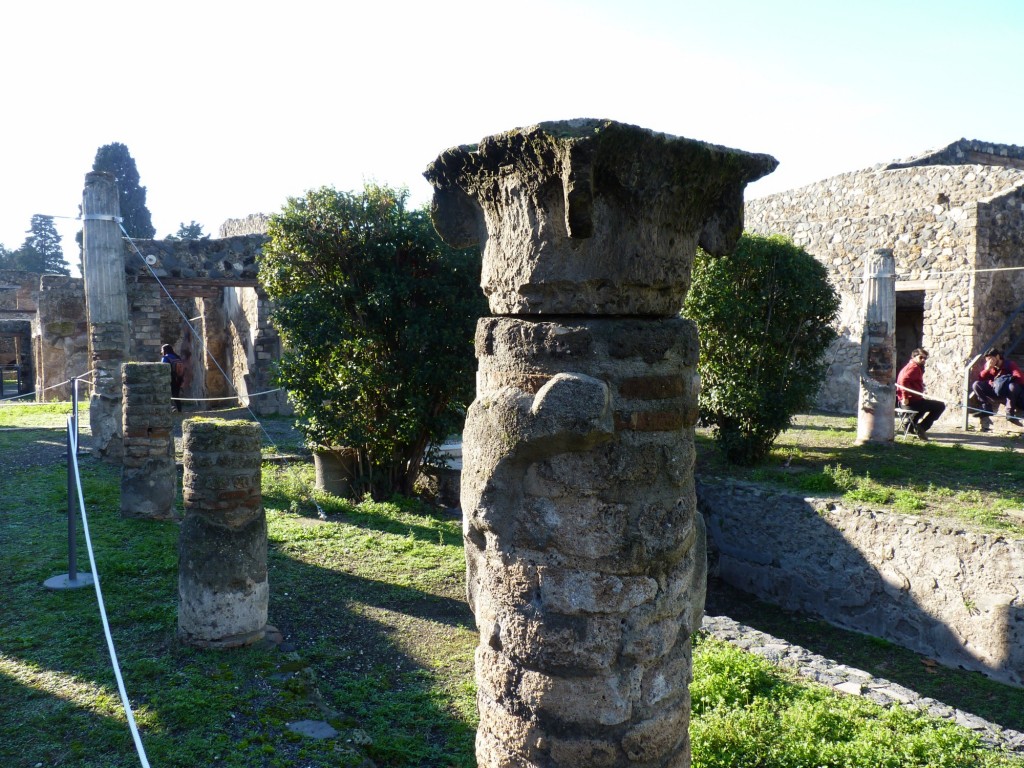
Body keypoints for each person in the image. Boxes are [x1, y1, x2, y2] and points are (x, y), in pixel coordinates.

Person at [896, 348, 945, 440]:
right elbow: (903, 381)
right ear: (914, 357)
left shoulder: (911, 366)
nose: (923, 360)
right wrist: (905, 397)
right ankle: (922, 427)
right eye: (921, 357)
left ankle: (909, 426)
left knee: (924, 405)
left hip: (913, 400)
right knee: (940, 406)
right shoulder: (913, 367)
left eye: (925, 358)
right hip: (910, 402)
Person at [971, 347, 1024, 430]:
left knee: (1012, 386)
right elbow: (981, 379)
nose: (989, 361)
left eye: (991, 358)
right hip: (995, 390)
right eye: (987, 359)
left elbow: (1020, 378)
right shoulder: (988, 366)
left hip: (1007, 392)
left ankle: (1009, 412)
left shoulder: (1009, 364)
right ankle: (986, 408)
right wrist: (987, 369)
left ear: (998, 356)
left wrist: (1006, 381)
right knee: (976, 384)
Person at [161, 343, 187, 412]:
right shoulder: (177, 357)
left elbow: (162, 368)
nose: (161, 352)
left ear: (164, 350)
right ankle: (179, 410)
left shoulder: (165, 358)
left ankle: (170, 409)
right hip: (179, 379)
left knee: (166, 394)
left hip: (170, 378)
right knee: (176, 395)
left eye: (162, 350)